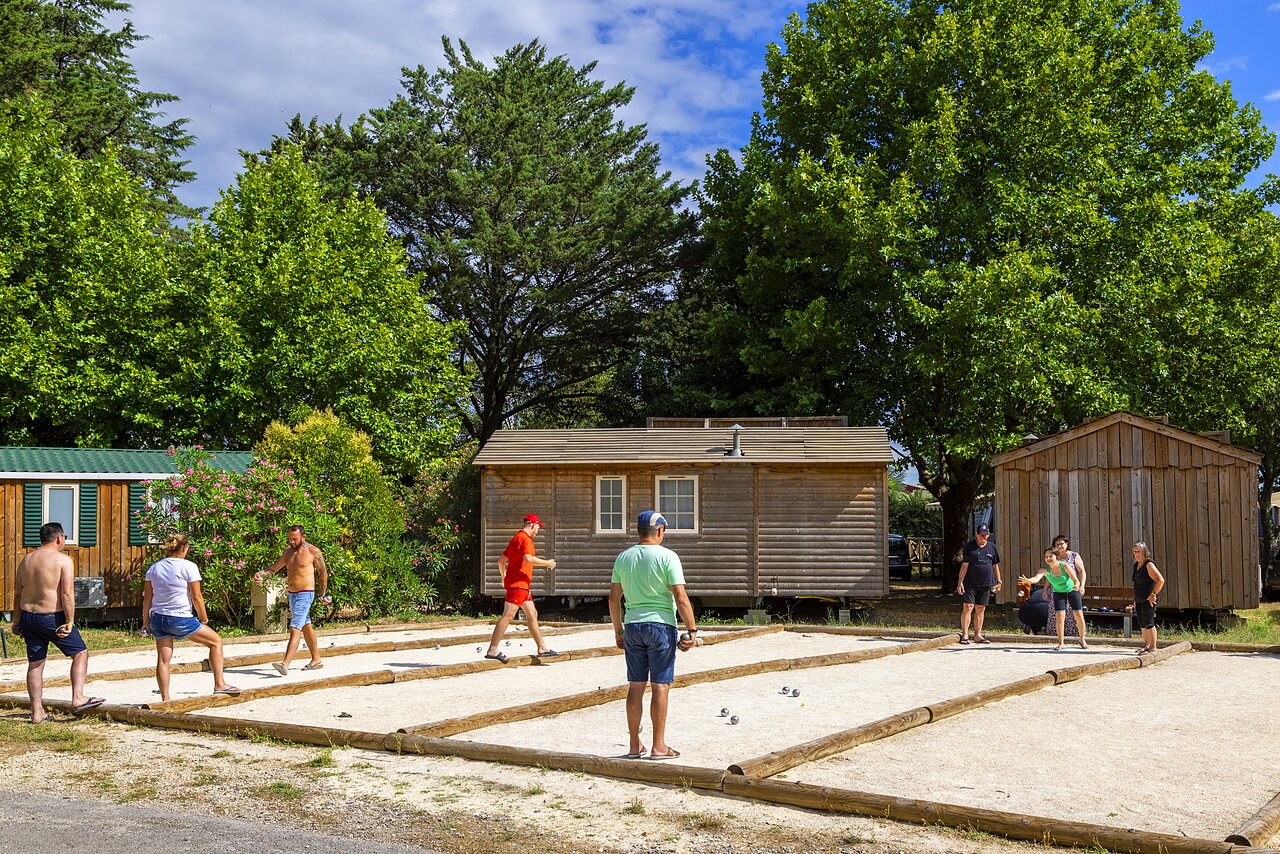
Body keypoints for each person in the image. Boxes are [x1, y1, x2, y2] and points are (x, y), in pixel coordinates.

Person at [609, 510, 698, 760]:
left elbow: (614, 599)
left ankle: (634, 745)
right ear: (659, 531)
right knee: (660, 685)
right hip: (660, 626)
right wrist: (691, 630)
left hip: (633, 626)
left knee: (635, 685)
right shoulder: (668, 556)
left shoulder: (623, 557)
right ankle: (659, 746)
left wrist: (618, 631)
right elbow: (680, 598)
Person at [9, 522, 103, 722]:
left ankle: (37, 712)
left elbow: (18, 593)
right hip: (52, 617)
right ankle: (78, 697)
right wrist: (70, 621)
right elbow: (67, 593)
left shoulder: (26, 560)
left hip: (28, 616)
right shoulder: (63, 560)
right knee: (80, 653)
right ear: (59, 538)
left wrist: (16, 620)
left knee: (35, 664)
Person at [142, 533, 240, 701]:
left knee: (163, 659)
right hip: (180, 618)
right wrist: (203, 618)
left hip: (158, 617)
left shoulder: (154, 567)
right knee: (215, 641)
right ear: (185, 548)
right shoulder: (188, 566)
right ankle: (220, 684)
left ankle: (165, 698)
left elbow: (148, 598)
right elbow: (196, 597)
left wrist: (145, 623)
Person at [253, 525, 330, 675]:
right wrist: (260, 574)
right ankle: (316, 659)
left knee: (295, 627)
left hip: (305, 594)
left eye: (295, 539)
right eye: (290, 539)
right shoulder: (288, 552)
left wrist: (321, 595)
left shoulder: (313, 551)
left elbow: (323, 573)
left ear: (303, 537)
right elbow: (274, 568)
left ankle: (285, 663)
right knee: (306, 625)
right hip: (292, 594)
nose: (292, 542)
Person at [483, 513, 559, 662]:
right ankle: (492, 649)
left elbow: (501, 561)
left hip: (522, 585)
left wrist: (504, 578)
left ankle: (542, 647)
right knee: (508, 615)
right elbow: (528, 559)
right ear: (532, 525)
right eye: (538, 527)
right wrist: (547, 563)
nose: (538, 530)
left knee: (532, 615)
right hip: (519, 585)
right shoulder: (526, 539)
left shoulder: (516, 538)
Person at [1020, 547, 1088, 650]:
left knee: (1078, 616)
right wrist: (1028, 580)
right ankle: (1061, 643)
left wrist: (1077, 586)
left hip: (1072, 591)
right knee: (1060, 617)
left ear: (1056, 557)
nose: (1048, 559)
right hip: (1058, 593)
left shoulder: (1064, 566)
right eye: (1046, 557)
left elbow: (1076, 580)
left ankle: (1082, 640)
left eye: (1050, 556)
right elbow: (1036, 578)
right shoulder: (1044, 570)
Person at [956, 524, 1002, 644]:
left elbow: (995, 565)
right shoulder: (969, 547)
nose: (983, 537)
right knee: (968, 606)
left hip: (986, 583)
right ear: (976, 534)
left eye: (986, 535)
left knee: (980, 608)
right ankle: (965, 634)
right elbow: (964, 565)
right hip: (970, 582)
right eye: (981, 535)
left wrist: (999, 581)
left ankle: (978, 635)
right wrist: (960, 582)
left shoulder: (992, 547)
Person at [1129, 541, 1165, 655]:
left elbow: (1160, 580)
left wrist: (1153, 595)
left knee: (1149, 623)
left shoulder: (1149, 564)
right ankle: (1147, 645)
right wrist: (1135, 600)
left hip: (1148, 599)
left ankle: (1153, 648)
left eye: (1138, 551)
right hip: (1139, 598)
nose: (1136, 554)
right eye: (1134, 552)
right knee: (1142, 623)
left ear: (1144, 551)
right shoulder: (1136, 565)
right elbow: (1137, 584)